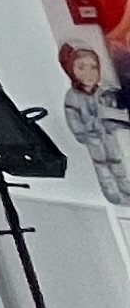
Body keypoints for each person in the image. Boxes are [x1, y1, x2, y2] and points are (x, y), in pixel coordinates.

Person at [58, 39, 130, 207]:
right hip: (93, 138)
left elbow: (112, 110)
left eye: (93, 67)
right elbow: (74, 120)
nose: (88, 73)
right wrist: (84, 135)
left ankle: (125, 187)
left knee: (116, 161)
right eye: (81, 68)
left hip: (108, 135)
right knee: (102, 165)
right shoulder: (73, 97)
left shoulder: (103, 92)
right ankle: (111, 192)